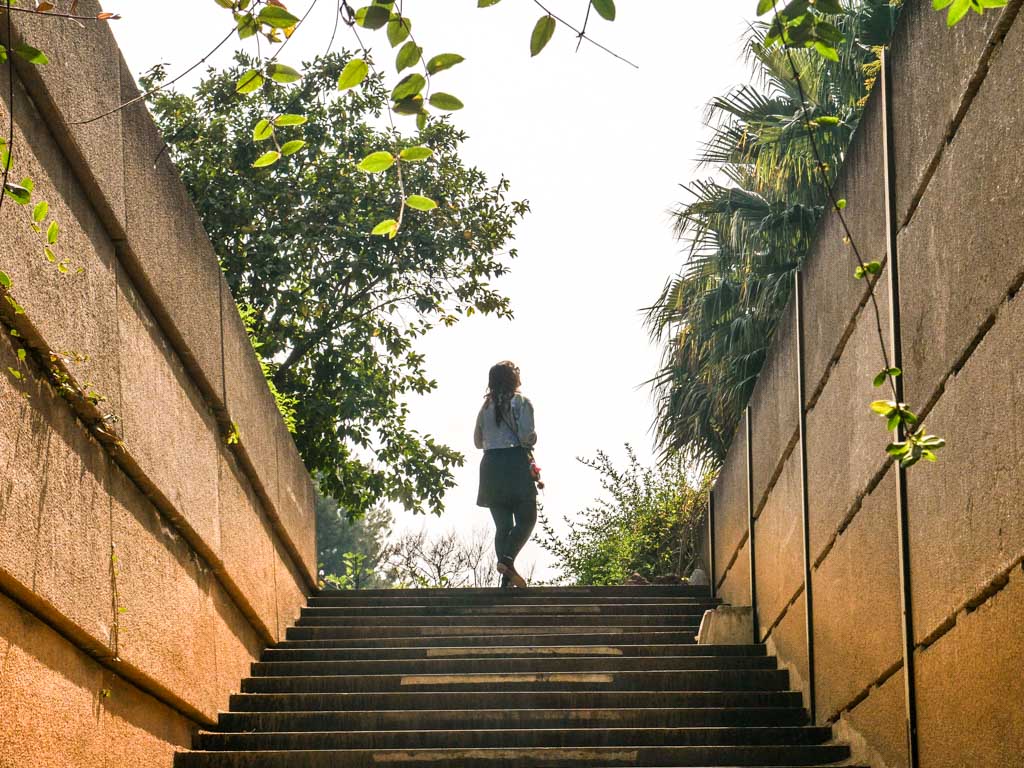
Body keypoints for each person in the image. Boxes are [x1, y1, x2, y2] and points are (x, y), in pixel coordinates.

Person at [474, 361, 538, 589]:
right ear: (513, 379)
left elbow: (477, 441)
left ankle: (506, 579)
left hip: (490, 465)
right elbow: (526, 437)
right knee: (527, 517)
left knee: (503, 526)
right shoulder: (521, 402)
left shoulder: (485, 406)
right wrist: (533, 439)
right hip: (515, 463)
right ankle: (508, 561)